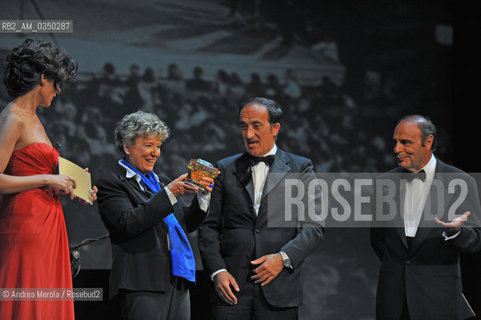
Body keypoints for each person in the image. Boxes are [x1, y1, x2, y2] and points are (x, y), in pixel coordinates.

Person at [198, 97, 324, 319]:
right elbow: (209, 228)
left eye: (256, 126)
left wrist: (282, 258)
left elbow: (314, 226)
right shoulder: (225, 168)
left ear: (275, 128)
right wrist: (218, 271)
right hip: (231, 288)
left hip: (279, 285)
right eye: (243, 126)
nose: (248, 134)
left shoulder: (301, 167)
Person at [0, 38, 97, 319]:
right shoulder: (14, 117)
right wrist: (47, 179)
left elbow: (31, 170)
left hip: (47, 224)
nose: (58, 90)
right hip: (25, 226)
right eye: (57, 82)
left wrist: (71, 182)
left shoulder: (33, 117)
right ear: (43, 77)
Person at [95, 110, 217, 320]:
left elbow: (185, 223)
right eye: (149, 145)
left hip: (177, 280)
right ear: (127, 146)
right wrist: (170, 193)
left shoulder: (160, 181)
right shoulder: (112, 182)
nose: (156, 153)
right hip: (142, 283)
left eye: (158, 146)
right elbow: (126, 223)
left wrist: (203, 197)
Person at [370, 115, 481, 320]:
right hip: (394, 300)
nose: (397, 149)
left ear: (428, 142)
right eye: (396, 142)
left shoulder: (460, 181)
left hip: (439, 300)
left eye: (405, 143)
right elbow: (378, 239)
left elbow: (475, 240)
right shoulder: (384, 183)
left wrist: (456, 232)